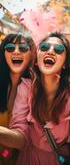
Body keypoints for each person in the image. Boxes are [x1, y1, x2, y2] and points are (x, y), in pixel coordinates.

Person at [0, 32, 70, 165]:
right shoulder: (25, 87)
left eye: (59, 49)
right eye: (10, 48)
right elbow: (20, 133)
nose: (16, 52)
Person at [0, 32, 36, 165]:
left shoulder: (37, 90)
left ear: (31, 54)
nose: (16, 51)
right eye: (10, 48)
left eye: (23, 48)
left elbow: (23, 141)